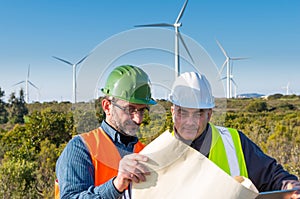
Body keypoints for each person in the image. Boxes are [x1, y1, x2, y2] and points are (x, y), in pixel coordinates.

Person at [168, 71, 300, 198]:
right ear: (173, 112)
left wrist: (292, 187)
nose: (190, 122)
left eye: (198, 113)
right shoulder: (156, 154)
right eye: (182, 113)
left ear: (209, 114)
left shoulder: (233, 141)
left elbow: (272, 176)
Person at [55, 65, 156, 198]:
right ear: (107, 106)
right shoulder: (81, 147)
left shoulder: (144, 152)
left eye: (142, 110)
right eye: (130, 109)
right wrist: (116, 185)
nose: (138, 119)